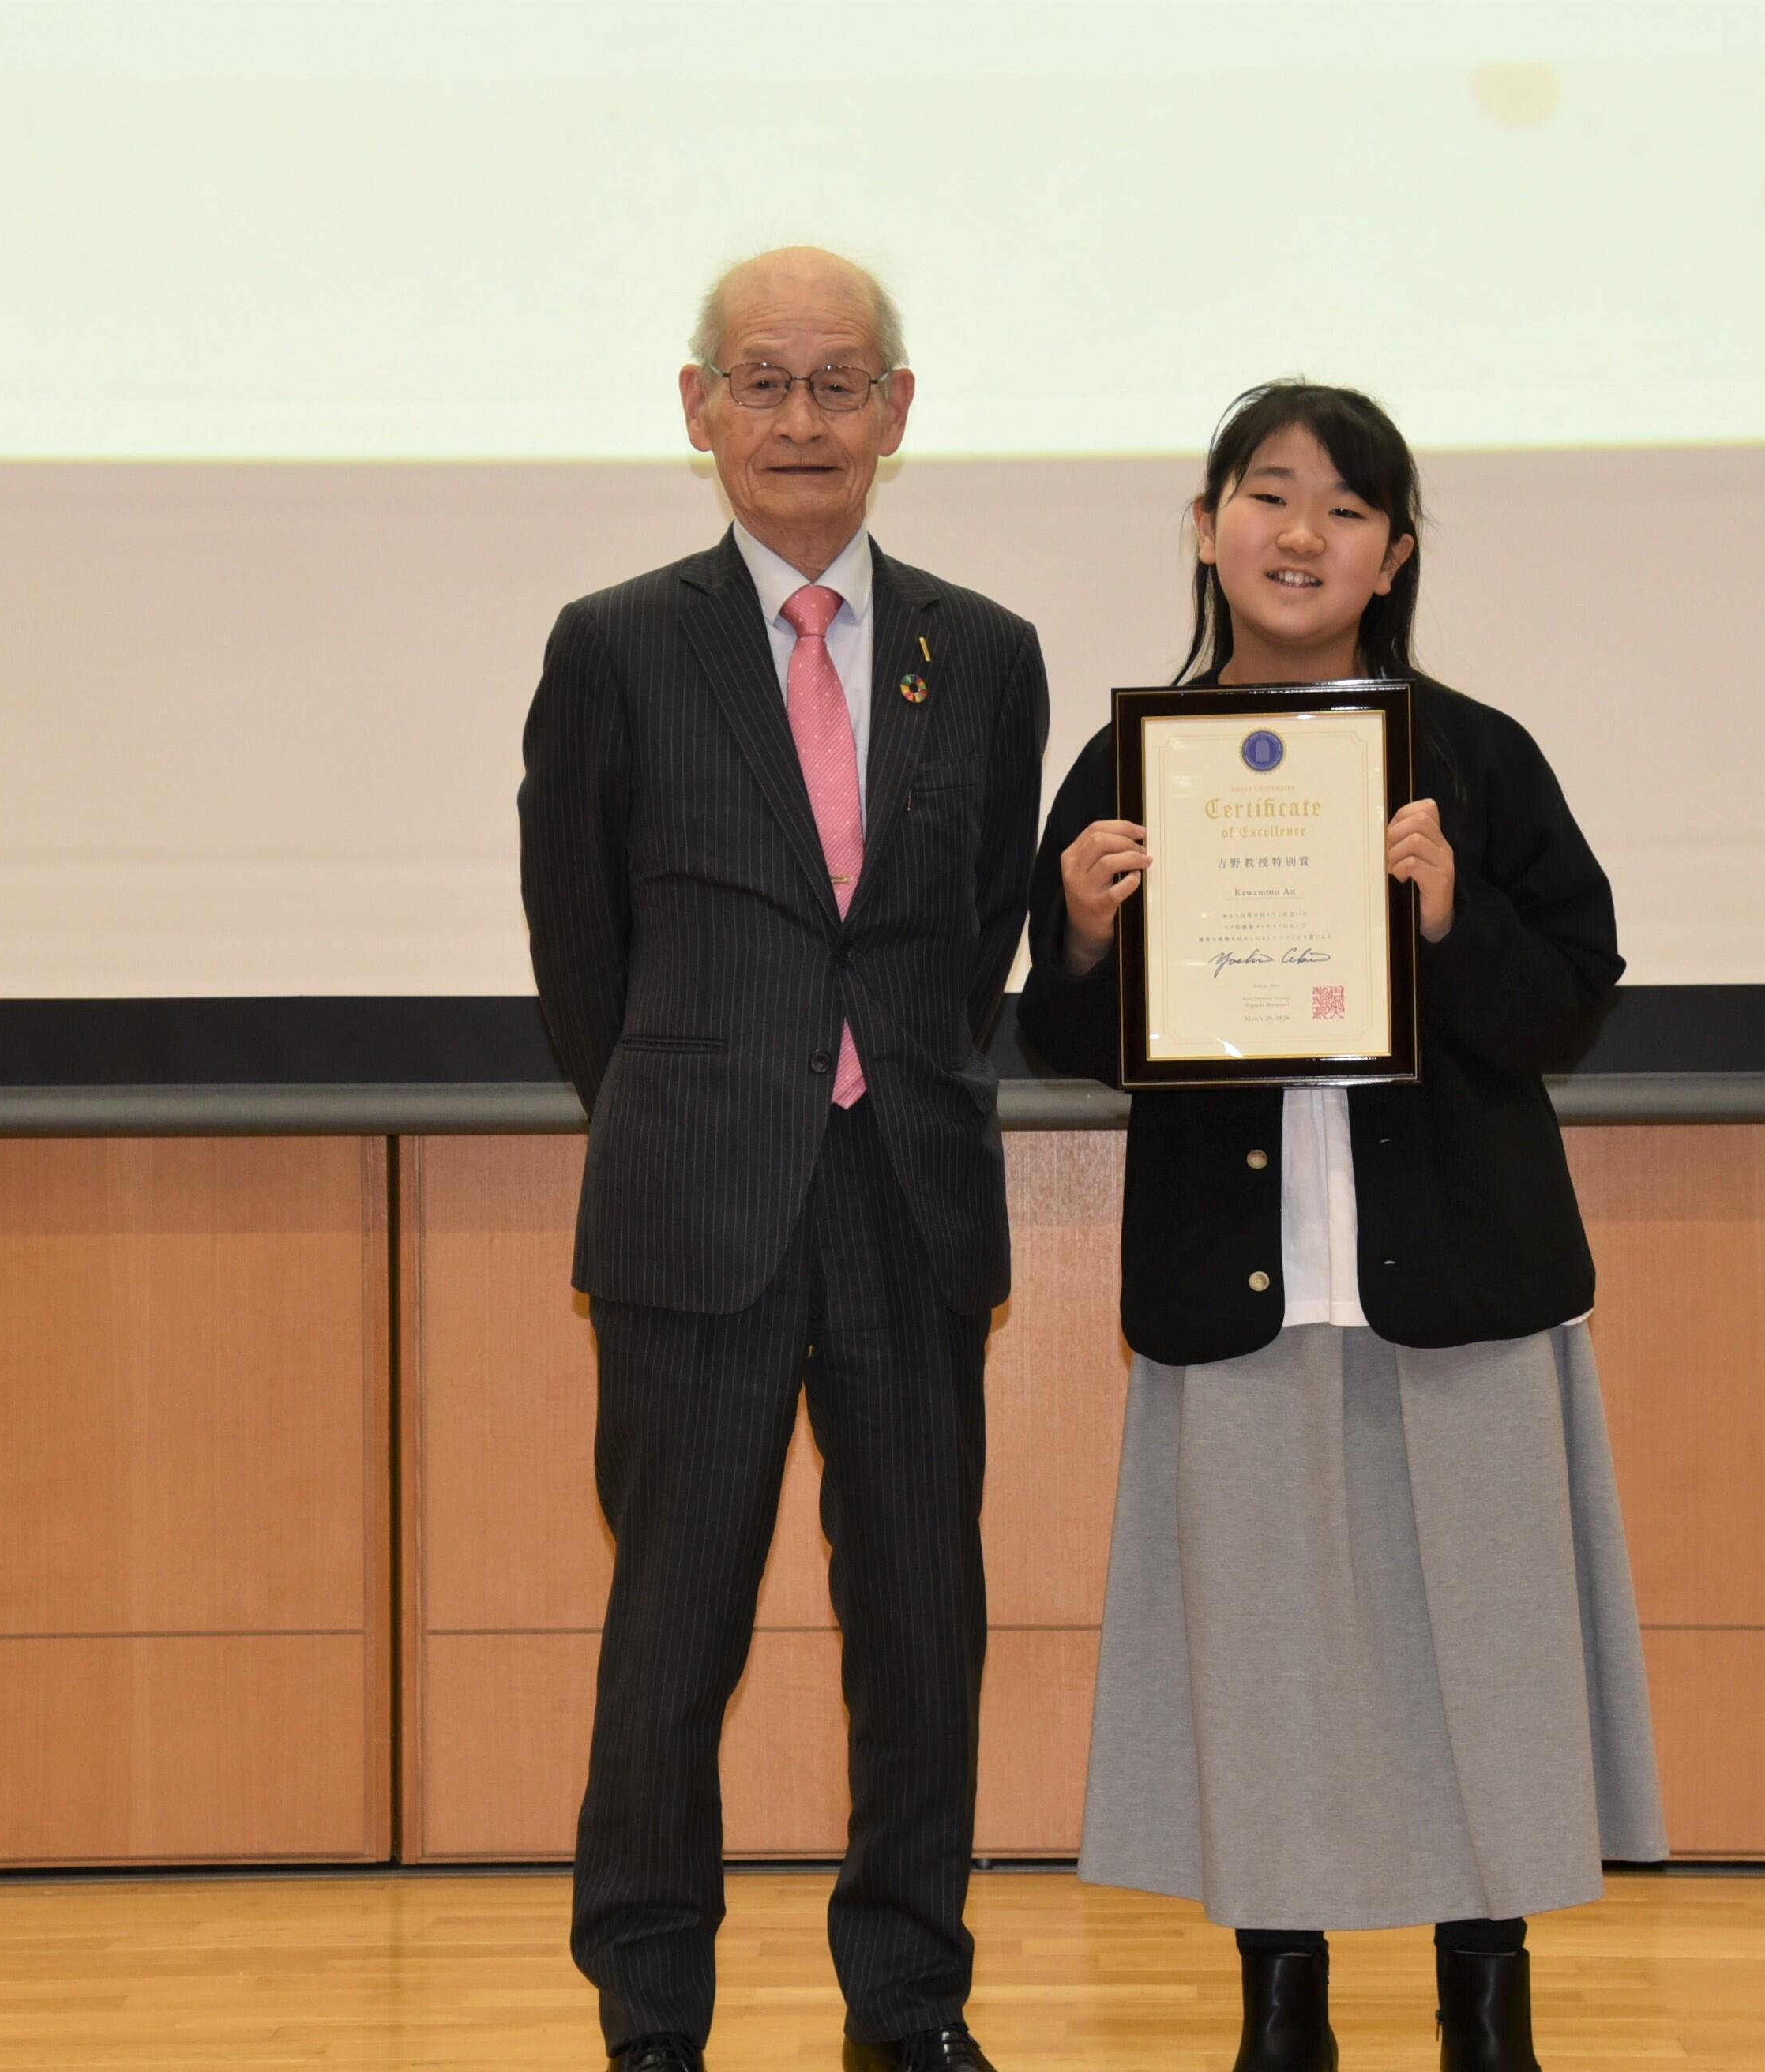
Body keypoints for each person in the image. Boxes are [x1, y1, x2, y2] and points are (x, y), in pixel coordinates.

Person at [1016, 381, 1665, 2072]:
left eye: (1347, 508)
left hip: (1461, 1277)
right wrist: (1076, 935)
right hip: (1239, 1285)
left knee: (1490, 1651)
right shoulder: (1131, 765)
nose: (1301, 533)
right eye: (1268, 495)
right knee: (1266, 1660)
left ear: (1396, 556)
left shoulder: (1475, 756)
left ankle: (1487, 2004)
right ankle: (1282, 2008)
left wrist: (1449, 919)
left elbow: (1570, 991)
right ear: (1206, 527)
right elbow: (1066, 1036)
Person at [518, 247, 1050, 2072]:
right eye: (763, 380)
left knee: (921, 1635)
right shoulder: (615, 645)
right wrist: (705, 1099)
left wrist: (870, 1078)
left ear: (897, 411)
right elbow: (580, 953)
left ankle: (908, 2005)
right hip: (694, 1208)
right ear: (700, 408)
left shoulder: (984, 653)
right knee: (672, 1643)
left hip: (909, 1200)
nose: (801, 419)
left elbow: (979, 926)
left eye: (839, 383)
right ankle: (652, 2020)